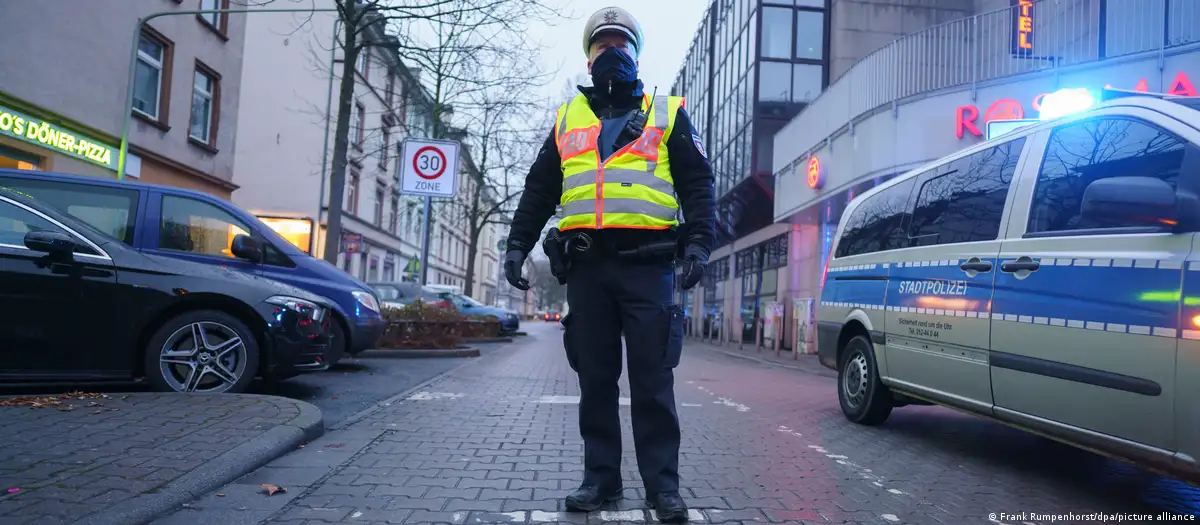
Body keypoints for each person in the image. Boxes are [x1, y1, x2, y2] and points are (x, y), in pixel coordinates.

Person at [501, 6, 716, 524]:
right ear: (589, 55)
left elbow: (697, 185)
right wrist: (516, 245)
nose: (611, 52)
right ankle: (600, 479)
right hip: (588, 271)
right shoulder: (567, 120)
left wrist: (699, 246)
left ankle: (663, 488)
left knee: (652, 383)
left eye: (621, 44)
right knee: (596, 381)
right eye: (603, 45)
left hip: (649, 268)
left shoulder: (667, 113)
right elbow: (538, 191)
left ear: (635, 54)